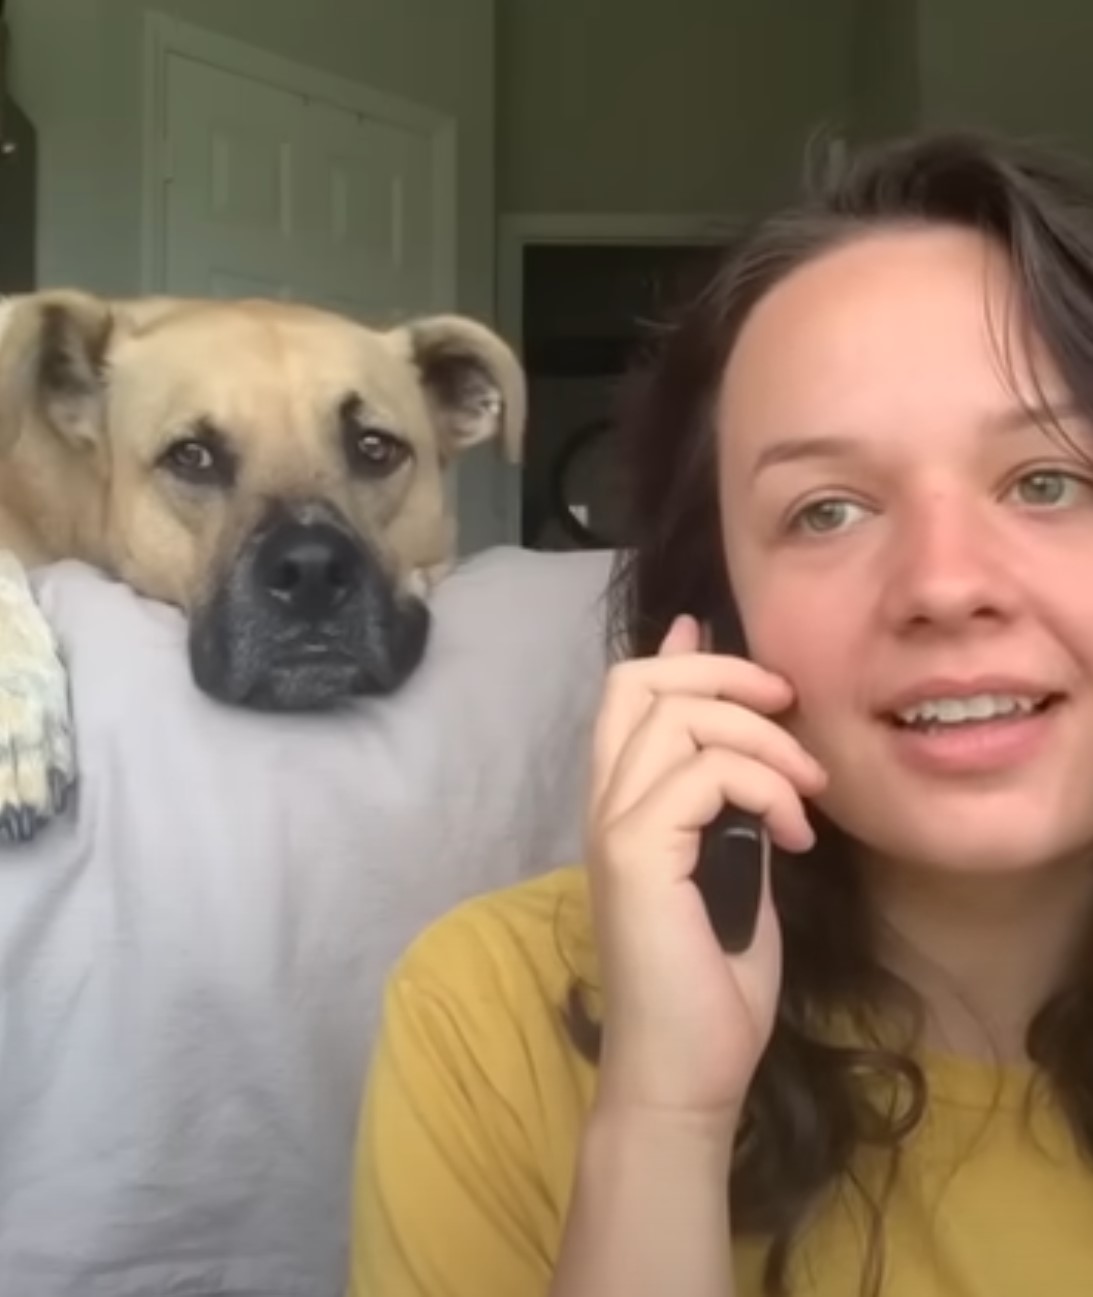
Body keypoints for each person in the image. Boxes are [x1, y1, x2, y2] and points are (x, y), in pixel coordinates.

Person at [347, 130, 1093, 1297]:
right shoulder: (485, 1016)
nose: (947, 583)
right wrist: (661, 1114)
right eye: (828, 510)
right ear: (719, 615)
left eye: (1047, 482)